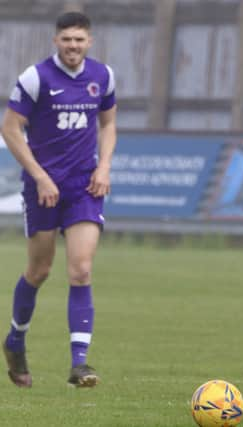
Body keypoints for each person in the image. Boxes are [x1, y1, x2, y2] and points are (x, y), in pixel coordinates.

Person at [1, 11, 117, 388]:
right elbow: (10, 128)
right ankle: (15, 341)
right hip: (44, 188)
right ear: (56, 41)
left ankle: (79, 365)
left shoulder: (102, 76)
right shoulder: (36, 78)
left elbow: (108, 123)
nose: (73, 46)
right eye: (67, 39)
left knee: (81, 269)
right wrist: (39, 176)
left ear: (90, 41)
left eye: (79, 40)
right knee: (40, 270)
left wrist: (104, 168)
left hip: (84, 186)